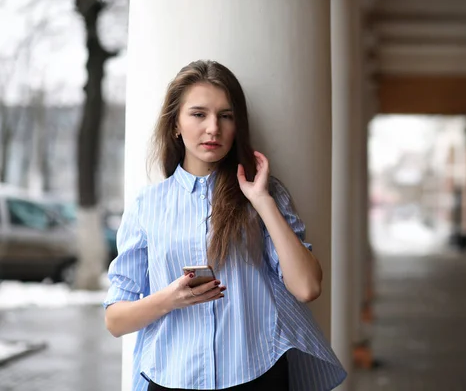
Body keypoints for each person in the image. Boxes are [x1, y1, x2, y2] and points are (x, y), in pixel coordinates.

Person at [103, 60, 347, 391]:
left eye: (226, 116)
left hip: (257, 374)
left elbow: (307, 287)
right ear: (176, 123)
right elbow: (115, 320)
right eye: (199, 114)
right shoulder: (147, 206)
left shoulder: (265, 194)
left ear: (237, 125)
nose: (213, 128)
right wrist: (169, 299)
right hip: (172, 377)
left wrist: (261, 201)